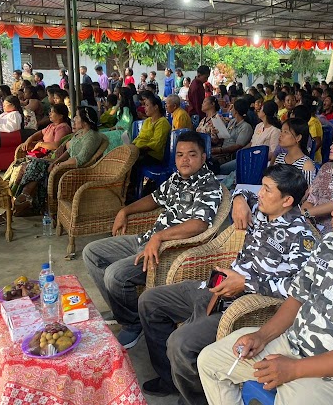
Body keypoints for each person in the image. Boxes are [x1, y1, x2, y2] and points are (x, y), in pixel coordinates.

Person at [198, 170, 333, 405]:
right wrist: (262, 335)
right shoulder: (330, 243)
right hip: (291, 344)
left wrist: (294, 369)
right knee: (210, 360)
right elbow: (297, 298)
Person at [138, 164, 317, 402]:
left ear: (287, 201)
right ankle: (170, 379)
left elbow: (298, 288)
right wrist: (241, 200)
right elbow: (242, 192)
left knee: (180, 344)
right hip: (214, 288)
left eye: (267, 190)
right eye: (262, 187)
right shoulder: (260, 207)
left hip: (242, 306)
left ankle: (197, 397)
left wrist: (247, 283)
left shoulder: (301, 236)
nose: (260, 193)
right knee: (150, 301)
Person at [83, 131, 223, 347]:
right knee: (91, 252)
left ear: (203, 158)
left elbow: (199, 224)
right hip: (148, 239)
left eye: (192, 154)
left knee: (115, 275)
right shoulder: (176, 178)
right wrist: (125, 211)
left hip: (168, 250)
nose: (185, 160)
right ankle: (122, 309)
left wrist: (159, 238)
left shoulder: (208, 185)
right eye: (179, 155)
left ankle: (133, 323)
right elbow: (153, 198)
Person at [13, 106, 102, 218]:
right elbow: (68, 152)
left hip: (75, 169)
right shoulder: (79, 134)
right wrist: (56, 161)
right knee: (37, 164)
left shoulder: (92, 137)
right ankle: (27, 198)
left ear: (84, 121)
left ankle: (23, 197)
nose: (74, 119)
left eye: (77, 116)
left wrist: (60, 165)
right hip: (65, 165)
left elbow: (80, 159)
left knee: (37, 165)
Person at [219, 100, 281, 175]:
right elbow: (252, 143)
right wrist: (242, 151)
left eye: (261, 109)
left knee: (232, 174)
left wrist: (257, 157)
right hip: (249, 157)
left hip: (259, 162)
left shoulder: (275, 131)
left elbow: (273, 153)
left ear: (265, 113)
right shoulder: (259, 126)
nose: (258, 110)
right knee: (222, 169)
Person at [274, 118, 316, 185]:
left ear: (298, 138)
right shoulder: (280, 158)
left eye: (286, 132)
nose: (281, 135)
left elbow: (307, 192)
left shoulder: (306, 164)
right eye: (281, 131)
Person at [132, 94, 171, 165]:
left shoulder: (162, 122)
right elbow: (140, 137)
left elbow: (156, 144)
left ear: (155, 107)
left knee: (131, 163)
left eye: (147, 105)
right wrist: (132, 145)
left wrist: (139, 149)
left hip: (152, 156)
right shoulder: (147, 121)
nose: (144, 108)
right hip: (140, 151)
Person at [211, 99, 253, 163]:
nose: (231, 109)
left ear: (236, 111)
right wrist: (217, 133)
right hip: (222, 150)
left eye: (232, 107)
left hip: (229, 155)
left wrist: (220, 150)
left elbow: (238, 146)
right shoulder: (232, 121)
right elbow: (225, 137)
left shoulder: (246, 127)